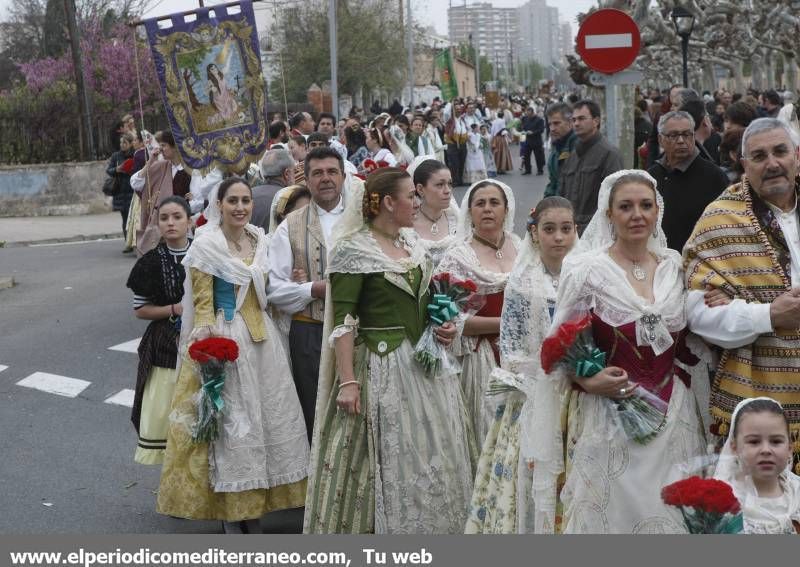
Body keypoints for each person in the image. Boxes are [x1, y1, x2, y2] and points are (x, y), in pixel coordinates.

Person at [303, 168, 474, 534]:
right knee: (384, 455)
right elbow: (344, 321)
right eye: (411, 196)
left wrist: (442, 325)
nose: (416, 202)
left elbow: (427, 299)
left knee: (431, 452)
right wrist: (348, 381)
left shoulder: (411, 242)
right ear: (387, 202)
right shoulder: (353, 249)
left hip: (425, 366)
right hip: (382, 365)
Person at [545, 170, 711, 533]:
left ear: (657, 213)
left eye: (645, 205)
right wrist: (588, 380)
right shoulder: (586, 270)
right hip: (610, 416)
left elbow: (693, 336)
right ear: (609, 215)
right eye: (625, 206)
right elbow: (557, 344)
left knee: (673, 513)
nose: (637, 214)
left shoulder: (674, 266)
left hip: (674, 412)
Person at [157, 177, 309, 534]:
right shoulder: (207, 246)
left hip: (264, 343)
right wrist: (210, 351)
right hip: (227, 337)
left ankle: (257, 508)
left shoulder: (260, 239)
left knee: (266, 422)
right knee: (232, 429)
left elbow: (269, 290)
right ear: (219, 205)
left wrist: (295, 278)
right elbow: (203, 305)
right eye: (233, 201)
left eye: (245, 200)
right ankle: (232, 512)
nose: (240, 207)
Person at [684, 118, 800, 472]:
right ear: (743, 164)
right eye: (759, 156)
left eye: (780, 151)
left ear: (797, 156)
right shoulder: (720, 221)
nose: (772, 163)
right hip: (759, 405)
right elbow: (699, 315)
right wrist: (767, 315)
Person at [465, 197, 578, 534]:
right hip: (535, 395)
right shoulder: (522, 282)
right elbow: (512, 349)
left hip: (581, 392)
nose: (558, 237)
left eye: (566, 229)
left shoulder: (587, 276)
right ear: (533, 234)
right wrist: (550, 372)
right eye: (549, 229)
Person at [268, 147, 348, 441]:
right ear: (307, 180)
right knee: (315, 413)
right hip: (310, 332)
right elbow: (275, 289)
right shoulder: (290, 225)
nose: (325, 179)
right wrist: (314, 288)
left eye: (332, 172)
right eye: (317, 173)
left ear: (342, 176)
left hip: (361, 329)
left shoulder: (363, 219)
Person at [436, 179, 520, 450]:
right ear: (469, 211)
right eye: (480, 203)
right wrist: (506, 324)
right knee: (491, 437)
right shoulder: (458, 256)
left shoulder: (522, 247)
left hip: (521, 355)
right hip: (482, 357)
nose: (487, 209)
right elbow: (452, 321)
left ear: (506, 209)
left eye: (494, 203)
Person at [126, 196, 192, 465]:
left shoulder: (206, 253)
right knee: (168, 411)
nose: (171, 223)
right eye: (164, 218)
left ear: (189, 221)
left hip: (206, 338)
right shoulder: (150, 262)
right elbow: (141, 309)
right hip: (165, 344)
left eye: (177, 217)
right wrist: (175, 309)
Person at [714, 397, 800, 534]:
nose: (766, 450)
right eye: (754, 442)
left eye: (776, 441)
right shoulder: (725, 505)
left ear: (790, 448)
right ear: (734, 447)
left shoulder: (797, 492)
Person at [647, 110, 729, 252]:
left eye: (686, 134)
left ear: (693, 137)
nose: (681, 141)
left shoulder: (714, 177)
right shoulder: (651, 176)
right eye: (673, 135)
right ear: (661, 140)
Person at [130, 130, 217, 256]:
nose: (160, 148)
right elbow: (135, 182)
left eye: (164, 145)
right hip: (163, 228)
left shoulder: (193, 169)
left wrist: (191, 203)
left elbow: (200, 200)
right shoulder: (161, 166)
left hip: (187, 227)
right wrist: (150, 162)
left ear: (175, 147)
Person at [559, 100, 624, 233]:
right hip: (571, 232)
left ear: (596, 121)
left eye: (582, 118)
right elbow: (562, 195)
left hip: (597, 233)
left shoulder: (610, 154)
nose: (576, 123)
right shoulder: (571, 156)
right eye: (574, 119)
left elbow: (616, 199)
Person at [409, 157, 459, 266]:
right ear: (420, 189)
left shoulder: (456, 219)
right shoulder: (408, 224)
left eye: (449, 184)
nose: (447, 191)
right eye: (440, 185)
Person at [250, 148, 296, 232]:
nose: (295, 176)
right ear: (286, 174)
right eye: (294, 171)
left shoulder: (249, 194)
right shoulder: (291, 197)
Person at [107, 132, 136, 252]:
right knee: (125, 219)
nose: (122, 145)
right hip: (120, 191)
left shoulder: (135, 155)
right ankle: (127, 243)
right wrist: (117, 169)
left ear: (130, 144)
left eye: (125, 142)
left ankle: (135, 242)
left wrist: (130, 170)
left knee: (134, 219)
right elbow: (109, 170)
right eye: (121, 142)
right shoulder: (116, 156)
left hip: (132, 190)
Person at [544, 102, 577, 198]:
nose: (552, 128)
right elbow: (553, 183)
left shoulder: (579, 147)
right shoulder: (557, 145)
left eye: (557, 123)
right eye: (550, 124)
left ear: (570, 123)